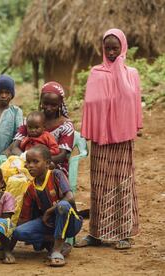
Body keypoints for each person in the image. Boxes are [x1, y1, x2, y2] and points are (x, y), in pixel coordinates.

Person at [76, 28, 142, 250]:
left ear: (123, 47)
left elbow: (132, 101)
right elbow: (91, 104)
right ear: (102, 49)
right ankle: (96, 234)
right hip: (102, 138)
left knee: (122, 182)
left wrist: (119, 72)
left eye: (116, 48)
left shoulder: (130, 73)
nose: (112, 52)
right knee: (99, 184)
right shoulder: (96, 72)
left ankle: (124, 233)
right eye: (108, 48)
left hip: (122, 138)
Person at [12, 145, 82, 267]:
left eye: (35, 161)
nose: (31, 165)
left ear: (47, 163)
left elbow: (70, 198)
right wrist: (8, 242)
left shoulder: (56, 174)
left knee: (63, 205)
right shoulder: (30, 188)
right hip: (49, 224)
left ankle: (56, 250)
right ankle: (56, 242)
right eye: (28, 162)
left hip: (70, 222)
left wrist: (49, 211)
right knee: (18, 232)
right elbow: (24, 219)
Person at [5, 81, 74, 176]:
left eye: (53, 105)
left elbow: (62, 155)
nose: (49, 108)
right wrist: (27, 159)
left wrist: (40, 163)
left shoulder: (66, 126)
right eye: (45, 103)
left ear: (60, 104)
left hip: (53, 165)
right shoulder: (30, 120)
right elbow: (15, 147)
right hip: (25, 162)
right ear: (41, 101)